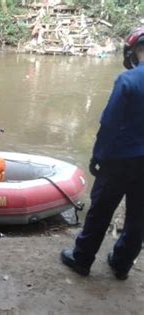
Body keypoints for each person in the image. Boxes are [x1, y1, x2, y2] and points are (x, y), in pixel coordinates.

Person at [61, 27, 144, 280]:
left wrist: (98, 156)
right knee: (139, 217)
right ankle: (122, 264)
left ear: (132, 51)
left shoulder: (128, 80)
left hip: (119, 161)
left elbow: (109, 123)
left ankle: (82, 258)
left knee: (101, 210)